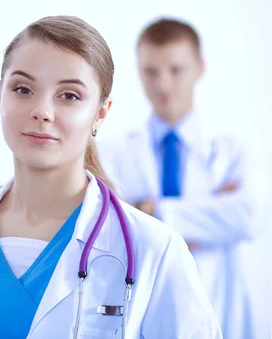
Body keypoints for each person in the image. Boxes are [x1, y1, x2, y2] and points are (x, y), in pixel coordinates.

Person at [0, 16, 221, 338]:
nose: (42, 111)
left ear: (101, 113)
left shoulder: (153, 249)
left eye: (69, 96)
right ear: (0, 95)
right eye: (22, 89)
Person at [97, 18, 262, 339]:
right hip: (143, 311)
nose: (163, 84)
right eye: (151, 71)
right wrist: (210, 215)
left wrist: (150, 211)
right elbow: (112, 230)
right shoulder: (113, 152)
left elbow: (249, 217)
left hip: (219, 308)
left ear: (200, 68)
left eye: (176, 70)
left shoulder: (232, 151)